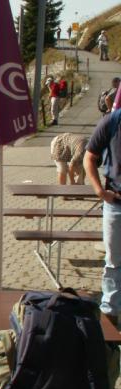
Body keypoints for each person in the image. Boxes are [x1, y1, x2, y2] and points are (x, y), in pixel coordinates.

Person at [83, 113, 121, 328]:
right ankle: (111, 320)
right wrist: (99, 191)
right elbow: (89, 157)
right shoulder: (112, 122)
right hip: (116, 205)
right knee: (114, 263)